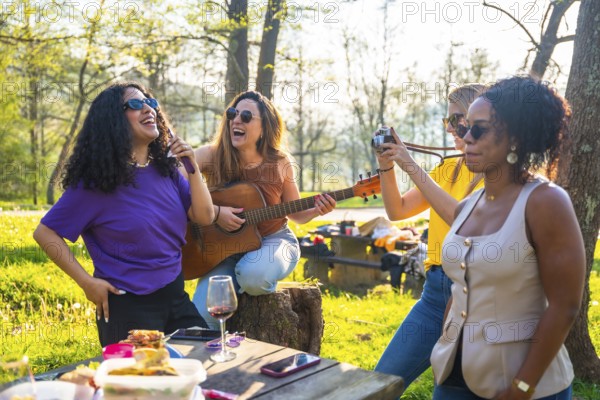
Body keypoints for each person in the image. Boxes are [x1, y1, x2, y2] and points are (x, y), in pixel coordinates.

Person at [430, 76, 585, 399]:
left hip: (527, 387)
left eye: (479, 129)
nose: (466, 137)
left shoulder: (545, 201)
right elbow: (461, 285)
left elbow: (564, 306)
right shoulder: (468, 205)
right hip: (453, 377)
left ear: (515, 137)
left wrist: (521, 388)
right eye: (463, 127)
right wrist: (443, 348)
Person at [33, 82, 214, 347]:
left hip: (176, 297)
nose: (148, 109)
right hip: (127, 306)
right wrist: (86, 282)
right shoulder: (96, 183)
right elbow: (44, 232)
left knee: (202, 365)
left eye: (150, 103)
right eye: (135, 104)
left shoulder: (167, 170)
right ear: (112, 121)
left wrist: (193, 168)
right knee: (142, 385)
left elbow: (205, 216)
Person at [191, 90, 336, 329]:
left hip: (274, 240)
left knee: (253, 277)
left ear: (264, 127)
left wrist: (318, 209)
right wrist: (215, 212)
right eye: (232, 114)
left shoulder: (280, 162)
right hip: (225, 249)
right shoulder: (211, 155)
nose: (236, 120)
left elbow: (296, 215)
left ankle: (245, 287)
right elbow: (170, 176)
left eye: (246, 116)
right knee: (202, 319)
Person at [373, 84, 485, 389]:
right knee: (381, 381)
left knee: (450, 389)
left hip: (472, 297)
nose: (451, 127)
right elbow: (397, 210)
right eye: (447, 120)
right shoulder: (446, 168)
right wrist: (387, 167)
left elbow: (462, 218)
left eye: (458, 119)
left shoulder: (496, 173)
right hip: (434, 294)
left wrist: (408, 163)